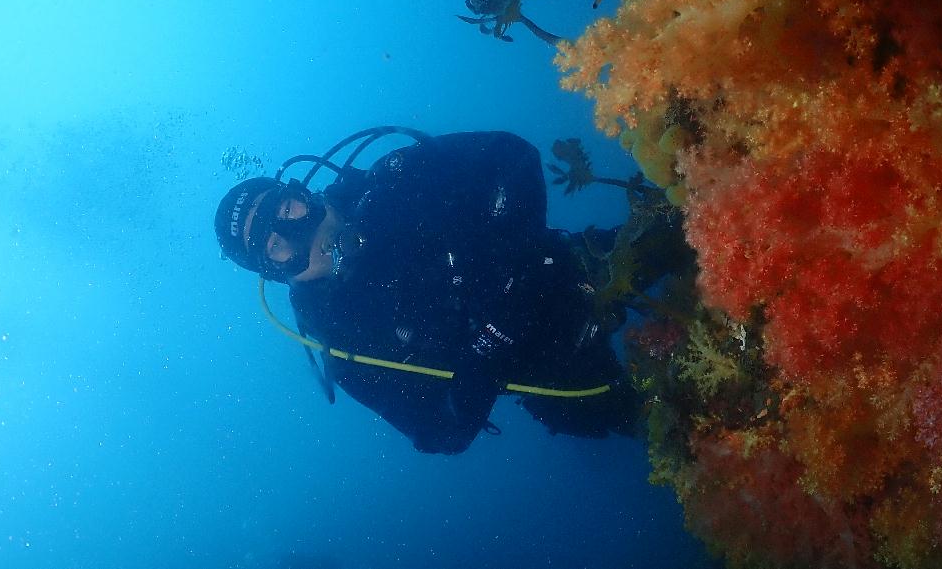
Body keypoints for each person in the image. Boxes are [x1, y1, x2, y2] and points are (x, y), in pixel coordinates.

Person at [214, 127, 640, 454]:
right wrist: (487, 352)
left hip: (580, 266)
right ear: (275, 273)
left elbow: (509, 154)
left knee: (670, 240)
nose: (298, 235)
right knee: (655, 419)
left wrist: (518, 261)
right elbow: (441, 432)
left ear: (303, 194)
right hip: (556, 372)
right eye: (276, 246)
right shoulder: (343, 342)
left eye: (286, 210)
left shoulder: (390, 182)